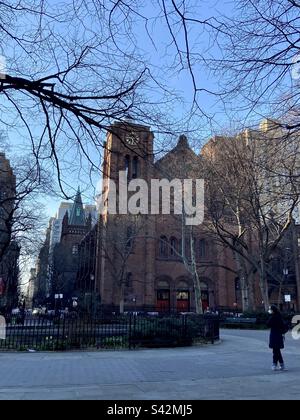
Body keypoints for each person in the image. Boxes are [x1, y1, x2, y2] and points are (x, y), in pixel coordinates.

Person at [267, 305, 286, 371]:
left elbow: (268, 324)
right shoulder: (279, 317)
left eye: (270, 310)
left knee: (275, 351)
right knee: (276, 350)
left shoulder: (273, 317)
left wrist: (270, 317)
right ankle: (281, 364)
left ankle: (275, 364)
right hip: (278, 335)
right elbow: (283, 326)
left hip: (274, 335)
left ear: (273, 310)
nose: (269, 311)